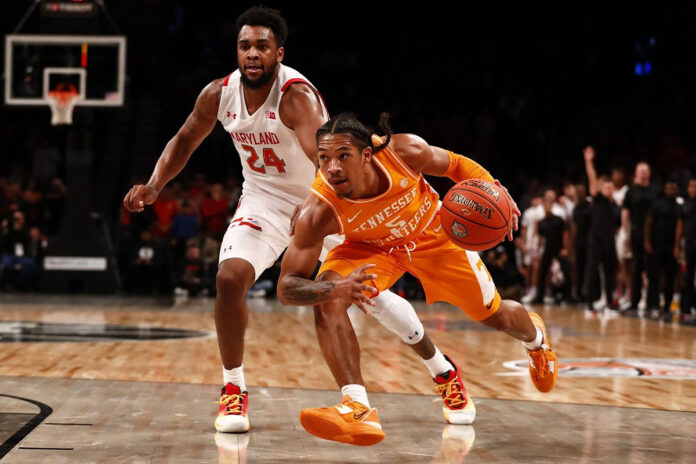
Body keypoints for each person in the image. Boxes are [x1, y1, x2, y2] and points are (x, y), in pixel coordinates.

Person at [123, 6, 470, 434]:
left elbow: (322, 162)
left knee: (365, 296)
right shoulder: (218, 93)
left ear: (278, 53)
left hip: (321, 203)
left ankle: (442, 370)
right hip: (263, 201)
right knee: (229, 279)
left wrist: (318, 214)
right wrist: (155, 185)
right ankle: (233, 390)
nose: (252, 54)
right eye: (244, 45)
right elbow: (184, 139)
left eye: (262, 47)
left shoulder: (295, 98)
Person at [278, 114, 558, 446]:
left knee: (494, 315)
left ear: (367, 154)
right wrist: (336, 288)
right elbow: (287, 287)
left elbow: (454, 164)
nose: (332, 167)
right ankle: (357, 407)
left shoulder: (403, 152)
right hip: (370, 247)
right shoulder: (318, 212)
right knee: (327, 299)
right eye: (324, 158)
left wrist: (494, 187)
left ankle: (536, 340)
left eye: (343, 156)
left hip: (433, 237)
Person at [582, 146, 619, 312]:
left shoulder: (615, 205)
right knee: (593, 270)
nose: (608, 189)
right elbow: (592, 178)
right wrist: (589, 161)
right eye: (605, 187)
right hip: (595, 239)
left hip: (610, 241)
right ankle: (590, 302)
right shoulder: (598, 199)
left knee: (610, 272)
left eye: (610, 187)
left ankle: (609, 301)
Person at [644, 180, 681, 319]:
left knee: (670, 276)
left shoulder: (679, 206)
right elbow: (648, 223)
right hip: (656, 245)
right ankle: (653, 304)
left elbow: (680, 227)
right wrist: (647, 241)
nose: (671, 190)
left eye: (674, 188)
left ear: (677, 190)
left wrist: (678, 246)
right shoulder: (657, 204)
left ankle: (667, 306)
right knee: (654, 276)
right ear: (665, 189)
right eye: (669, 187)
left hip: (671, 247)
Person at [622, 162, 656, 310]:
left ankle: (652, 302)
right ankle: (634, 301)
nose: (643, 173)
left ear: (649, 173)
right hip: (636, 232)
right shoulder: (631, 191)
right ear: (636, 174)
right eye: (640, 171)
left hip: (653, 234)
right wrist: (626, 231)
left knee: (653, 268)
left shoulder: (655, 190)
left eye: (645, 171)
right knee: (637, 267)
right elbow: (625, 212)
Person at [676, 178, 696, 322]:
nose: (692, 188)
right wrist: (677, 244)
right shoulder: (685, 205)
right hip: (689, 245)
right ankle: (687, 308)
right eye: (691, 186)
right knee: (687, 277)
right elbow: (680, 225)